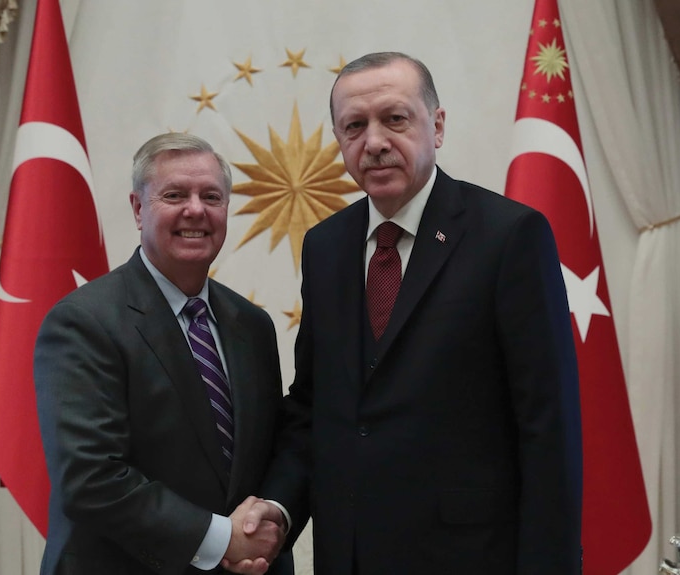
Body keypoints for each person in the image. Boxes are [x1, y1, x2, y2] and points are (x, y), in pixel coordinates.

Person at [230, 52, 582, 574]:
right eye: (354, 126)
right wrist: (278, 509)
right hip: (348, 555)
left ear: (436, 126)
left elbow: (547, 426)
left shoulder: (509, 237)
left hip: (469, 557)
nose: (374, 142)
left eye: (395, 119)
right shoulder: (326, 247)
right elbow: (314, 405)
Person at [34, 132, 293, 575]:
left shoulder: (252, 325)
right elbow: (90, 478)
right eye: (175, 195)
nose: (196, 209)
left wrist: (266, 521)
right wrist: (219, 539)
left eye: (211, 196)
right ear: (138, 209)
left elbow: (264, 457)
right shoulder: (84, 321)